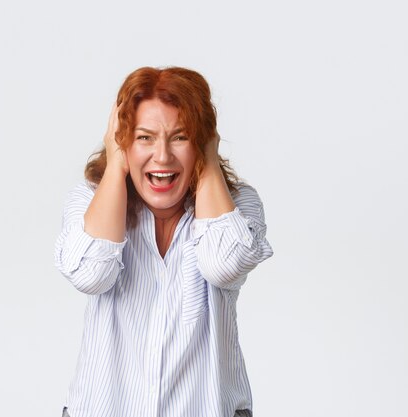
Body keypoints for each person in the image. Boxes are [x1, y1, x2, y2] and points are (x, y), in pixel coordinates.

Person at [54, 66, 273, 417]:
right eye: (144, 137)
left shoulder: (238, 205)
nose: (162, 156)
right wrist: (114, 168)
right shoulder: (89, 201)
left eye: (180, 137)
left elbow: (222, 265)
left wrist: (209, 162)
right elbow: (90, 275)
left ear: (202, 141)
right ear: (121, 141)